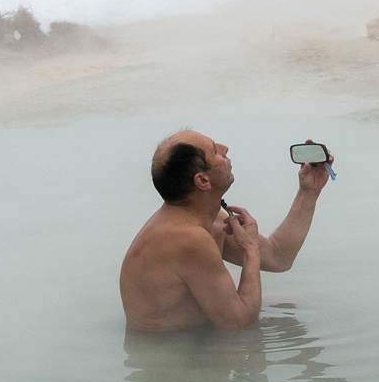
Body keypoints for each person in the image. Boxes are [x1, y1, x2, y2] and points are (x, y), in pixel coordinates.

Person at [120, 130, 334, 331]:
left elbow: (279, 256)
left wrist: (309, 191)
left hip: (198, 338)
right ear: (203, 181)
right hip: (175, 359)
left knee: (299, 301)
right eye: (215, 150)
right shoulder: (186, 238)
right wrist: (250, 250)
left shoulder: (208, 221)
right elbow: (240, 323)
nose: (225, 148)